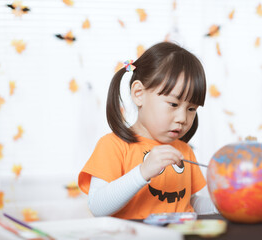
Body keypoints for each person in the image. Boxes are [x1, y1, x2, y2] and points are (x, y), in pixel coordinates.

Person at [78, 42, 217, 220]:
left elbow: (189, 202)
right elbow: (97, 206)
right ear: (139, 94)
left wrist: (221, 205)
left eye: (191, 109)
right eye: (173, 104)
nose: (183, 118)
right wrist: (142, 172)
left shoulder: (184, 150)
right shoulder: (113, 146)